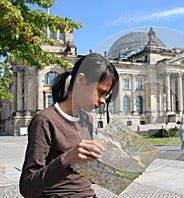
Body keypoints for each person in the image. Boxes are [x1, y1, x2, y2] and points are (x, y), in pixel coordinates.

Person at [19, 53, 119, 198]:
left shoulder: (87, 119)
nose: (103, 101)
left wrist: (109, 167)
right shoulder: (45, 120)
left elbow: (82, 176)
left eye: (106, 95)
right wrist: (67, 159)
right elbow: (27, 187)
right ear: (80, 80)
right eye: (101, 92)